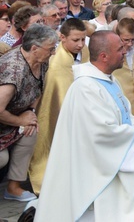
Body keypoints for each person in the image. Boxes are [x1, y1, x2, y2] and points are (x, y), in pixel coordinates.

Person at [35, 30, 134, 220]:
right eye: (120, 49)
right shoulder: (86, 88)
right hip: (97, 171)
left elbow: (123, 111)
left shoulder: (109, 80)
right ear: (104, 56)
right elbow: (99, 133)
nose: (125, 52)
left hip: (116, 160)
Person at [28, 19, 89, 194]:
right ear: (62, 37)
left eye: (83, 40)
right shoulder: (55, 62)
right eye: (75, 40)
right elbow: (55, 95)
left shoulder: (85, 53)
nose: (80, 45)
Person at [0, 25, 57, 203]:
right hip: (4, 116)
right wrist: (20, 120)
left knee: (30, 133)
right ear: (34, 48)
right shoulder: (13, 69)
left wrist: (30, 114)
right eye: (51, 48)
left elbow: (37, 88)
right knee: (2, 158)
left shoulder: (41, 60)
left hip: (13, 116)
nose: (54, 52)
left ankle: (14, 187)